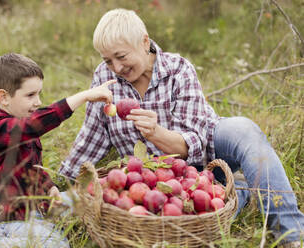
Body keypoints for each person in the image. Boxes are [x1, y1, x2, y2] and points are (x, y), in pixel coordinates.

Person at [59, 8, 304, 248]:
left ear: (145, 42)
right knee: (202, 209)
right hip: (160, 180)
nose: (116, 67)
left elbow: (196, 140)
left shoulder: (177, 69)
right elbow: (92, 136)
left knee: (243, 129)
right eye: (108, 60)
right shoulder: (105, 78)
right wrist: (59, 182)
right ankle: (235, 190)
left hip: (206, 152)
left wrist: (155, 133)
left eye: (121, 57)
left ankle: (291, 234)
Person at [0, 53, 115, 248]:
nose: (37, 102)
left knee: (85, 198)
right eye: (30, 95)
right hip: (11, 217)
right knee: (57, 244)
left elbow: (33, 167)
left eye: (39, 94)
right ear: (4, 97)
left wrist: (49, 187)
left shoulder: (24, 126)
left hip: (37, 208)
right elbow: (36, 124)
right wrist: (84, 96)